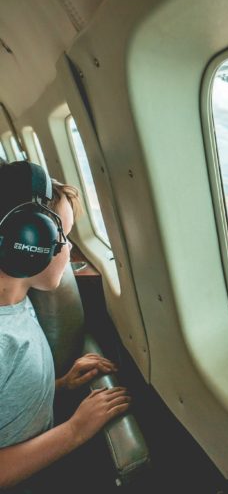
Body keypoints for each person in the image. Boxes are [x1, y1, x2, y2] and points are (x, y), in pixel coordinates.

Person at [0, 160, 131, 489]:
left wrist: (59, 385)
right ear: (28, 240)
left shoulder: (17, 302)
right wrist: (75, 431)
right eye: (64, 237)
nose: (69, 250)